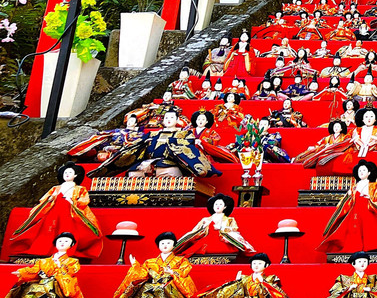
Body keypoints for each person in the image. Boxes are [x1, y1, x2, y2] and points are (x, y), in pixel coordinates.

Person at [9, 162, 102, 260]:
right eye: (65, 172)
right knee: (48, 230)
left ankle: (67, 250)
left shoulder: (80, 189)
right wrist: (50, 199)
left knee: (68, 229)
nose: (67, 174)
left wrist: (73, 201)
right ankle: (43, 249)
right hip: (54, 210)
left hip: (69, 211)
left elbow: (84, 200)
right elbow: (44, 199)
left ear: (75, 175)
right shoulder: (56, 188)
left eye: (70, 172)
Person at [92, 109, 220, 178]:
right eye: (166, 118)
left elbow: (187, 149)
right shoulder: (152, 134)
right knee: (133, 172)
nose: (169, 120)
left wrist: (172, 143)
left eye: (171, 118)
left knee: (170, 171)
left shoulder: (184, 134)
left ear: (177, 120)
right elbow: (136, 145)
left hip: (169, 162)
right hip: (147, 162)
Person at [317, 161, 377, 255]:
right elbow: (345, 200)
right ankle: (355, 247)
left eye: (364, 170)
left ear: (369, 173)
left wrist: (370, 198)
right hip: (355, 209)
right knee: (354, 228)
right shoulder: (354, 186)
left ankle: (372, 246)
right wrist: (349, 196)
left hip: (368, 208)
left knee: (370, 228)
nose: (361, 172)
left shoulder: (374, 185)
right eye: (359, 170)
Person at [106, 231, 197, 298]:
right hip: (153, 284)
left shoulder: (181, 260)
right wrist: (135, 266)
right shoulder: (150, 262)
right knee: (144, 288)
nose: (165, 245)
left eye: (168, 243)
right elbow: (142, 274)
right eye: (162, 243)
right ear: (158, 246)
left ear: (174, 245)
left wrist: (172, 272)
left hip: (168, 285)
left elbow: (184, 271)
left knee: (161, 289)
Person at [0, 233, 82, 298]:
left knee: (46, 289)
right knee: (29, 290)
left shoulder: (73, 261)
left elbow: (70, 272)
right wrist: (22, 272)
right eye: (60, 241)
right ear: (55, 244)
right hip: (41, 284)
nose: (62, 243)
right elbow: (34, 270)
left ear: (71, 245)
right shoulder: (44, 261)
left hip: (57, 285)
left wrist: (60, 266)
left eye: (66, 241)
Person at [195, 253, 291, 298]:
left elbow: (275, 294)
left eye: (259, 263)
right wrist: (237, 282)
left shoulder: (271, 278)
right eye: (254, 263)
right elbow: (236, 291)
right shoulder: (245, 278)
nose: (256, 266)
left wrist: (263, 283)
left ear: (267, 265)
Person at [174, 194, 257, 257]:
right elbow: (195, 231)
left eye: (220, 204)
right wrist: (203, 229)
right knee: (195, 248)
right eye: (216, 204)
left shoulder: (229, 219)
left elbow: (234, 231)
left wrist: (222, 228)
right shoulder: (205, 220)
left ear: (225, 207)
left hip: (221, 241)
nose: (217, 206)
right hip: (206, 240)